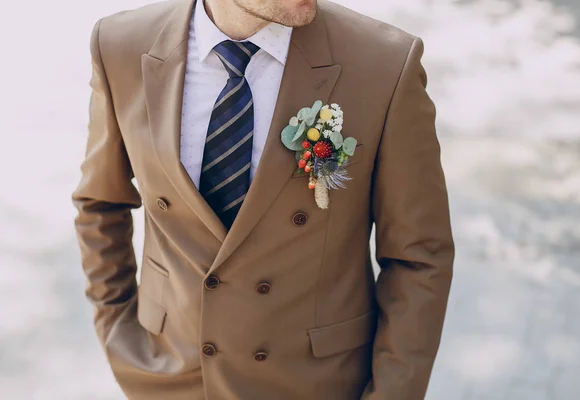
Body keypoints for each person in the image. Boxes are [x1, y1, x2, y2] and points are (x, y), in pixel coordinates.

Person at [72, 0, 454, 398]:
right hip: (170, 380)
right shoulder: (119, 45)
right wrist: (118, 332)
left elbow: (418, 256)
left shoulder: (384, 63)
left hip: (314, 385)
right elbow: (100, 202)